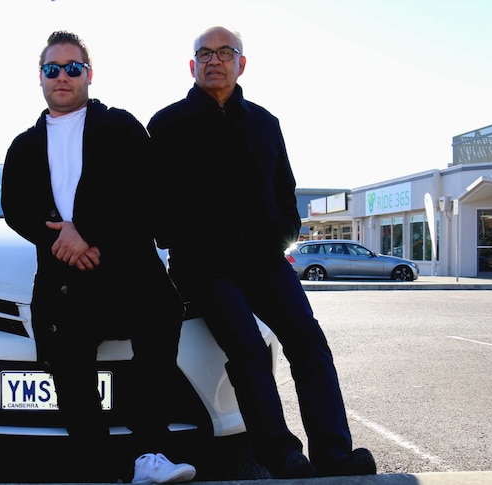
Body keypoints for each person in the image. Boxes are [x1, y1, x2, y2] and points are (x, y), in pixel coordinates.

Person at [147, 26, 377, 479]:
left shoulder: (264, 124)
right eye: (205, 54)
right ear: (192, 66)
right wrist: (176, 237)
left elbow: (285, 192)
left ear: (241, 63)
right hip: (204, 268)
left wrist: (279, 237)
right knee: (249, 351)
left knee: (309, 343)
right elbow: (152, 201)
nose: (215, 60)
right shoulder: (167, 124)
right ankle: (281, 455)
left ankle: (334, 454)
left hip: (265, 263)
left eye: (225, 52)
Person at [0, 30, 196, 484]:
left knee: (159, 316)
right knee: (69, 361)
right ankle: (97, 465)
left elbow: (147, 195)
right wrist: (60, 240)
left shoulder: (121, 127)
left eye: (72, 68)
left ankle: (151, 454)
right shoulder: (23, 145)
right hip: (63, 278)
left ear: (89, 74)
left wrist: (86, 232)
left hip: (126, 271)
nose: (62, 77)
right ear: (41, 78)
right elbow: (14, 207)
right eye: (53, 69)